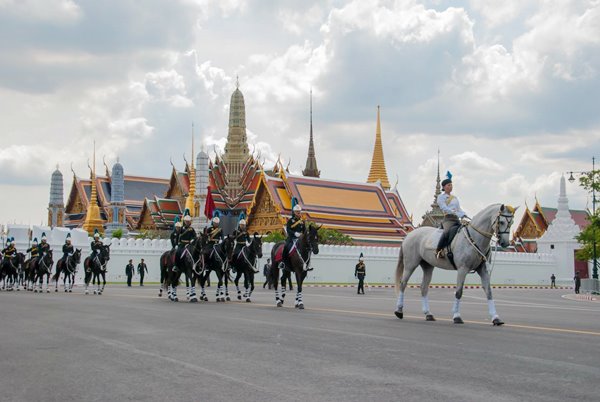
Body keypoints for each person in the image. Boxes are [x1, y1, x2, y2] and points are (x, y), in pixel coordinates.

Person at [435, 173, 468, 259]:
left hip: (456, 219)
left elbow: (459, 209)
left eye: (451, 185)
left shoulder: (455, 198)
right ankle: (439, 250)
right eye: (449, 185)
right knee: (447, 232)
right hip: (448, 219)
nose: (451, 187)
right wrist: (454, 212)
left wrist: (463, 214)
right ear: (444, 187)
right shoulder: (441, 197)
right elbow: (444, 208)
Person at [281, 204, 305, 269]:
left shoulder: (302, 221)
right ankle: (283, 263)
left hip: (300, 239)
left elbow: (304, 230)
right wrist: (295, 233)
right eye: (297, 212)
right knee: (285, 248)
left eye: (299, 211)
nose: (299, 213)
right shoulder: (290, 221)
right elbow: (288, 230)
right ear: (294, 212)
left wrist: (303, 235)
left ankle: (307, 264)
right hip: (292, 238)